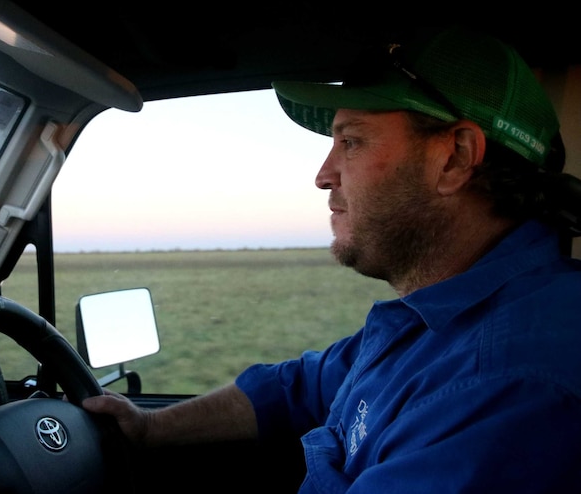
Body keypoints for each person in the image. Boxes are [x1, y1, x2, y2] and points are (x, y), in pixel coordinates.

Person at [82, 26, 581, 492]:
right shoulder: (435, 320)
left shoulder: (508, 386)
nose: (324, 175)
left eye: (352, 141)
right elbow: (302, 386)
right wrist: (148, 428)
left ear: (454, 157)